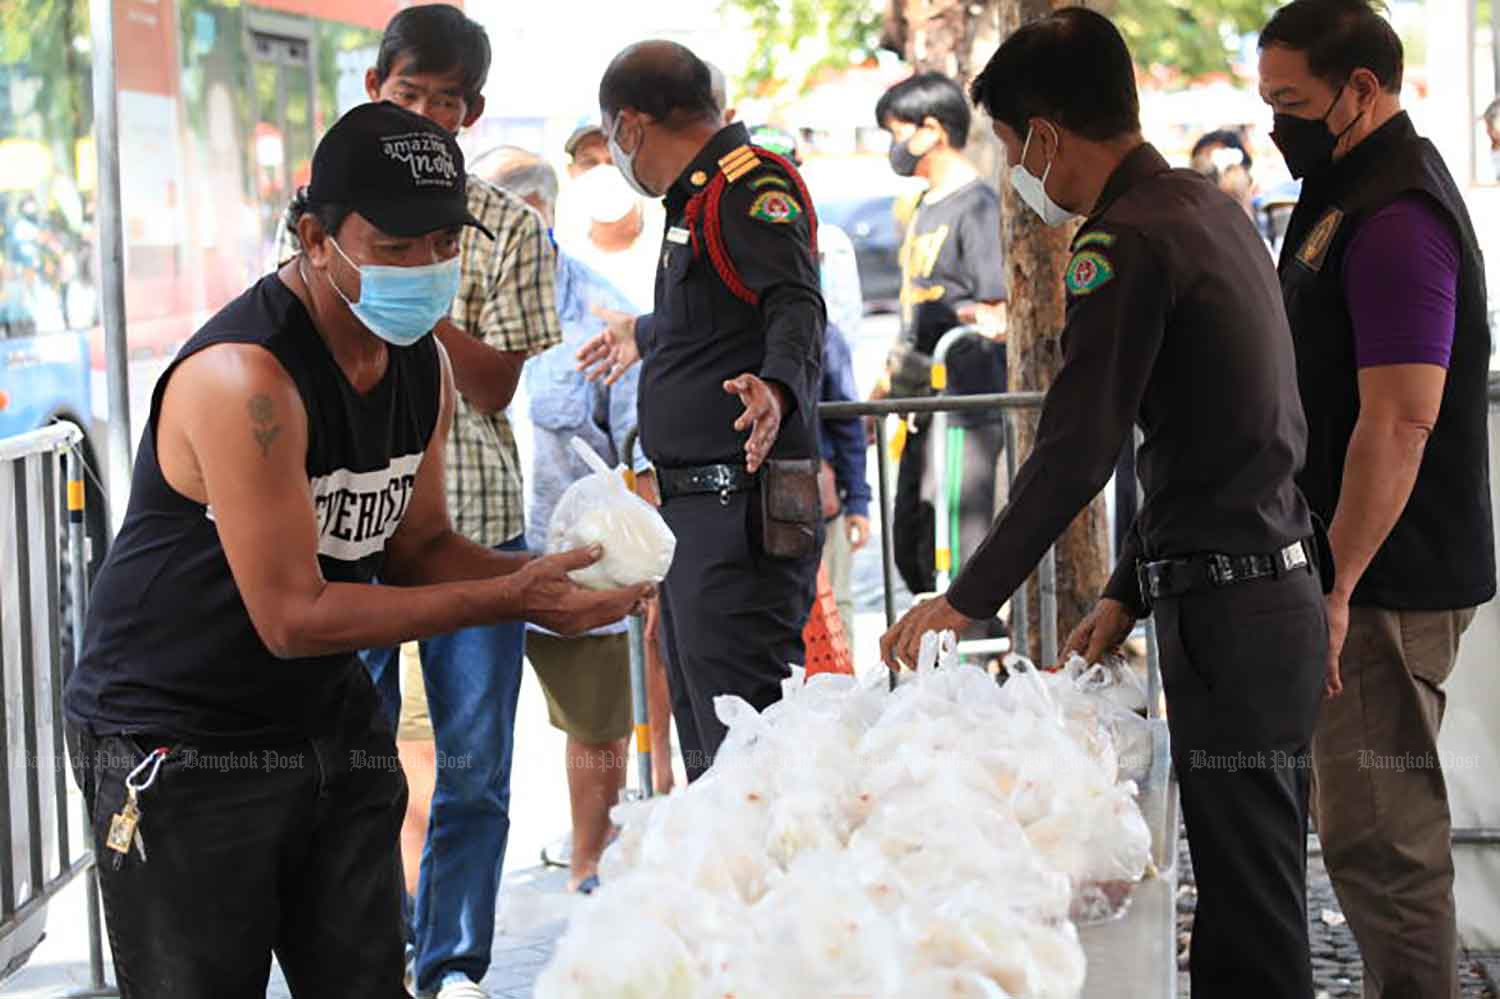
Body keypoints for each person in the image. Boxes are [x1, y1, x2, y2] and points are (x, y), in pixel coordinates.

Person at [61, 102, 647, 999]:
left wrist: (555, 577)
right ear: (314, 237)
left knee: (367, 978)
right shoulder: (245, 377)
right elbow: (293, 615)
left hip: (326, 722)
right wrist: (510, 597)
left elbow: (419, 550)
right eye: (394, 246)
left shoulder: (421, 362)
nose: (425, 269)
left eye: (442, 244)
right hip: (179, 739)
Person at [881, 10, 1327, 997]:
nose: (1016, 175)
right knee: (1252, 892)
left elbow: (1078, 446)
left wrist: (965, 600)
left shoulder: (1121, 241)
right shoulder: (1203, 208)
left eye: (1009, 148)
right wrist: (1125, 586)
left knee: (1252, 915)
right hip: (1258, 591)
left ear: (1044, 135)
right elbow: (1209, 436)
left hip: (1234, 612)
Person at [276, 9, 563, 997]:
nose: (429, 115)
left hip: (470, 526)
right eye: (412, 96)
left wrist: (416, 286)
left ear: (473, 111)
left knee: (475, 769)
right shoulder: (320, 214)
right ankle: (364, 950)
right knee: (350, 761)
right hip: (343, 533)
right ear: (375, 86)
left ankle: (453, 966)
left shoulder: (513, 229)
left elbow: (489, 388)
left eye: (448, 101)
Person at [1260, 3, 1496, 995]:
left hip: (1384, 577)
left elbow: (1400, 420)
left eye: (1293, 102)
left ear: (1362, 88)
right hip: (1358, 566)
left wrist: (1339, 580)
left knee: (1382, 838)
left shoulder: (1397, 213)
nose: (1277, 123)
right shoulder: (1344, 187)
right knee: (1365, 829)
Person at [578, 40, 825, 781]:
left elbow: (795, 302)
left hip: (739, 513)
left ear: (628, 126)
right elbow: (714, 318)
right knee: (708, 752)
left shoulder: (748, 186)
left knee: (744, 752)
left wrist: (778, 388)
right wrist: (644, 334)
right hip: (695, 519)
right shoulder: (696, 197)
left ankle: (773, 897)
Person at [491, 151, 675, 887]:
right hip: (471, 556)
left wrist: (650, 577)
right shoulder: (447, 302)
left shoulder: (598, 313)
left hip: (576, 567)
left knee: (594, 725)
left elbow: (641, 458)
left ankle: (588, 862)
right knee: (448, 737)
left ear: (538, 216)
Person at [873, 71, 1009, 600]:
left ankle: (976, 658)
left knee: (958, 545)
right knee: (912, 538)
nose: (894, 146)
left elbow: (996, 310)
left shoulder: (977, 205)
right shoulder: (920, 207)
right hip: (921, 401)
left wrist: (970, 322)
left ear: (931, 130)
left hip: (966, 405)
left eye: (897, 131)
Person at [747, 123, 872, 645]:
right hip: (752, 496)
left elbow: (843, 409)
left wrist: (855, 496)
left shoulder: (828, 331)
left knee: (830, 614)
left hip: (813, 489)